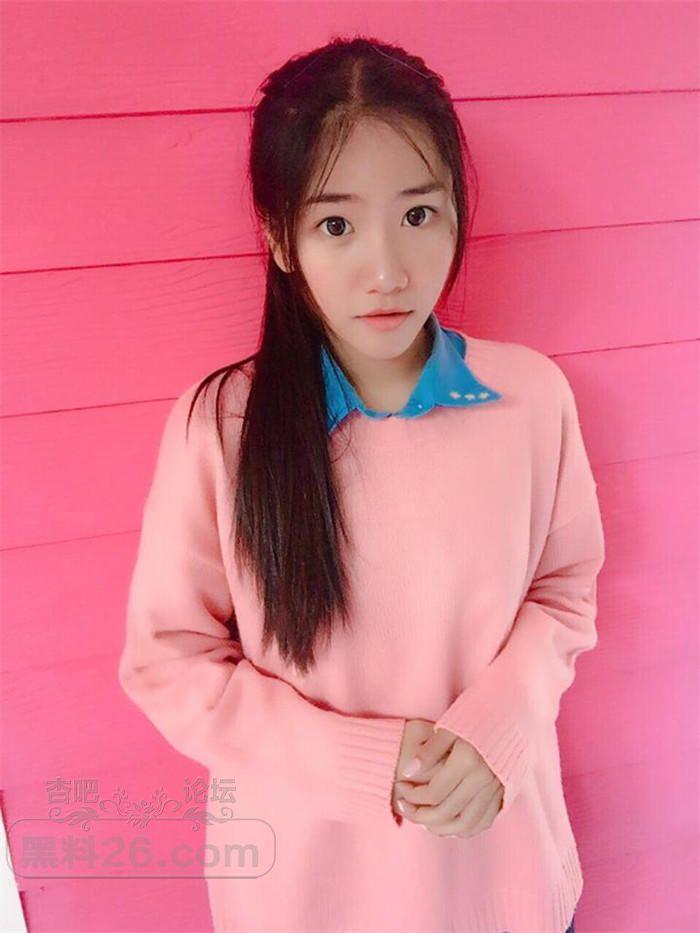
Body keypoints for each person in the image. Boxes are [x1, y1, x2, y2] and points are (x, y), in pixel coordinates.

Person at [118, 35, 601, 933]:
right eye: (337, 225)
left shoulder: (532, 397)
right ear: (280, 235)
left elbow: (564, 595)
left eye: (418, 214)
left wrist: (499, 725)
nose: (388, 270)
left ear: (457, 212)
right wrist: (367, 762)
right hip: (309, 899)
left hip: (503, 884)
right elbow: (170, 663)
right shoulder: (221, 427)